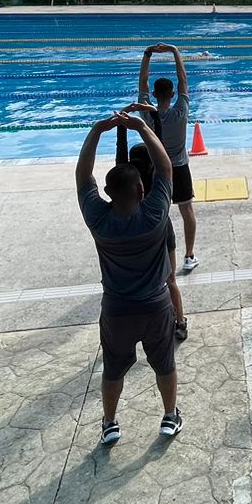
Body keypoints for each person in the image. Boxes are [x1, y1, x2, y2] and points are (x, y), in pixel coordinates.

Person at [77, 112, 184, 444]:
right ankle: (169, 416)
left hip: (116, 310)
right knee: (164, 365)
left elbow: (83, 176)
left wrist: (96, 130)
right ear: (141, 189)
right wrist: (141, 127)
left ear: (107, 192)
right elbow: (165, 168)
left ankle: (110, 423)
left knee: (113, 368)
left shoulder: (98, 219)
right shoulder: (154, 215)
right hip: (155, 307)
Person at [118, 117, 189, 342]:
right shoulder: (158, 180)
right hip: (162, 231)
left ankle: (138, 324)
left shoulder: (125, 177)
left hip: (135, 232)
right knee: (170, 280)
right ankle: (180, 321)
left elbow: (121, 153)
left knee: (138, 282)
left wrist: (121, 126)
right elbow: (161, 151)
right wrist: (151, 119)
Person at [138, 43, 197, 272]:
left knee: (154, 213)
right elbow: (182, 78)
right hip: (179, 169)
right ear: (172, 94)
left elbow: (143, 80)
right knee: (187, 211)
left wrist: (148, 54)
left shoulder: (147, 113)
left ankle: (153, 255)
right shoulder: (180, 111)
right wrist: (174, 51)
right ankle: (189, 255)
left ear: (153, 95)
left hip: (155, 170)